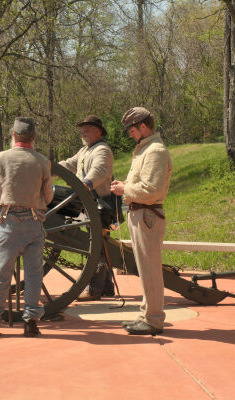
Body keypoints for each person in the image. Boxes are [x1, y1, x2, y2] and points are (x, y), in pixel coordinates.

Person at [0, 117, 54, 337]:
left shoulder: (0, 158)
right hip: (33, 222)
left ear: (13, 135)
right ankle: (31, 322)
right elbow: (48, 196)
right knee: (33, 275)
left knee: (0, 274)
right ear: (33, 138)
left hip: (9, 221)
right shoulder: (42, 161)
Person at [110, 107, 172, 335]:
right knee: (145, 269)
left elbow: (152, 190)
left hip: (147, 214)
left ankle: (154, 320)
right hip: (141, 213)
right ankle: (147, 315)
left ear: (143, 126)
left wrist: (124, 188)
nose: (129, 134)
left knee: (150, 270)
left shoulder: (154, 151)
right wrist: (125, 186)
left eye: (132, 129)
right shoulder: (146, 149)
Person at [58, 115, 115, 301]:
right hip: (89, 203)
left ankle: (94, 289)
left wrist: (86, 184)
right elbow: (68, 165)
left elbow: (99, 170)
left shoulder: (102, 150)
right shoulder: (84, 150)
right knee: (99, 245)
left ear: (97, 131)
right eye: (82, 128)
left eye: (87, 128)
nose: (82, 131)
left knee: (97, 245)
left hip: (101, 204)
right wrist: (47, 169)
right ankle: (106, 287)